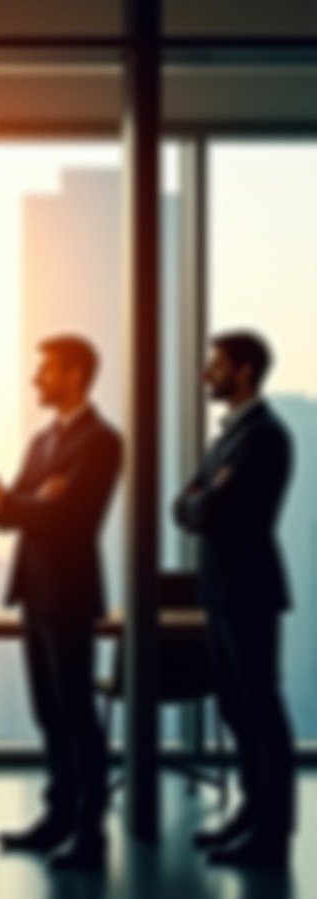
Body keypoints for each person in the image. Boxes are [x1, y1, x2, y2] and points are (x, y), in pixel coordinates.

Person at [0, 335, 122, 873]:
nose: (36, 381)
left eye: (46, 371)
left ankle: (90, 834)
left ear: (74, 375)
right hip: (35, 589)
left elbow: (71, 519)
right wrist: (15, 499)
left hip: (70, 594)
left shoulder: (101, 442)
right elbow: (7, 518)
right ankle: (57, 819)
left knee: (77, 714)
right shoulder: (41, 442)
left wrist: (20, 501)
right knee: (49, 714)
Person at [173, 330, 295, 871]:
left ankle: (272, 833)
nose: (207, 374)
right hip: (223, 590)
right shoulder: (229, 438)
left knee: (260, 708)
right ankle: (251, 813)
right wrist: (203, 496)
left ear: (244, 371)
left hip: (248, 588)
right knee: (236, 707)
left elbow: (215, 511)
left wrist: (204, 499)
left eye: (216, 365)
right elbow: (185, 504)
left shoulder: (264, 436)